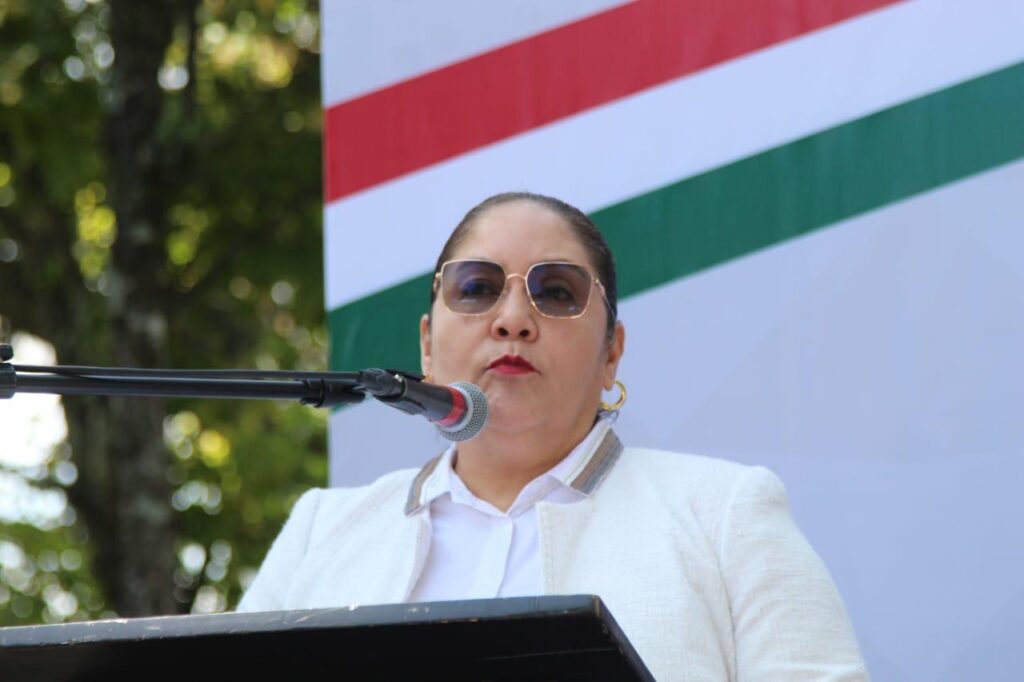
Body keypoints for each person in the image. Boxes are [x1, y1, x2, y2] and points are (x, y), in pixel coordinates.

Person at [237, 192, 868, 680]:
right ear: (427, 344)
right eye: (477, 288)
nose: (513, 319)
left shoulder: (723, 516)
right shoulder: (325, 530)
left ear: (611, 354)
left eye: (557, 293)